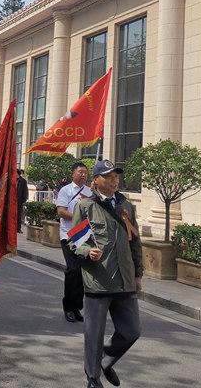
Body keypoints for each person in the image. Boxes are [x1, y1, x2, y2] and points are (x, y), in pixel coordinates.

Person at [72, 160, 142, 388]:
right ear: (97, 180)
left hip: (125, 279)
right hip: (98, 280)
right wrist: (86, 250)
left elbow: (135, 242)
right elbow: (75, 243)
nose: (115, 179)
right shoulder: (85, 207)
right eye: (109, 176)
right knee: (94, 335)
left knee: (131, 331)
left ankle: (105, 361)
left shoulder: (126, 206)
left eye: (116, 175)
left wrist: (138, 273)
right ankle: (92, 378)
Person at [56, 161, 92, 323]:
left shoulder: (90, 192)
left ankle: (77, 307)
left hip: (84, 237)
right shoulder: (66, 190)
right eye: (80, 172)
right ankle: (68, 307)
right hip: (69, 236)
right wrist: (79, 219)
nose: (83, 174)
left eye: (85, 172)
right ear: (73, 174)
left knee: (82, 273)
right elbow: (61, 212)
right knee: (73, 270)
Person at [16, 168, 29, 233]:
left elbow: (25, 192)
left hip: (19, 201)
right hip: (12, 201)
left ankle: (18, 228)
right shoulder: (12, 180)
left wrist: (23, 200)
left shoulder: (23, 181)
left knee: (18, 215)